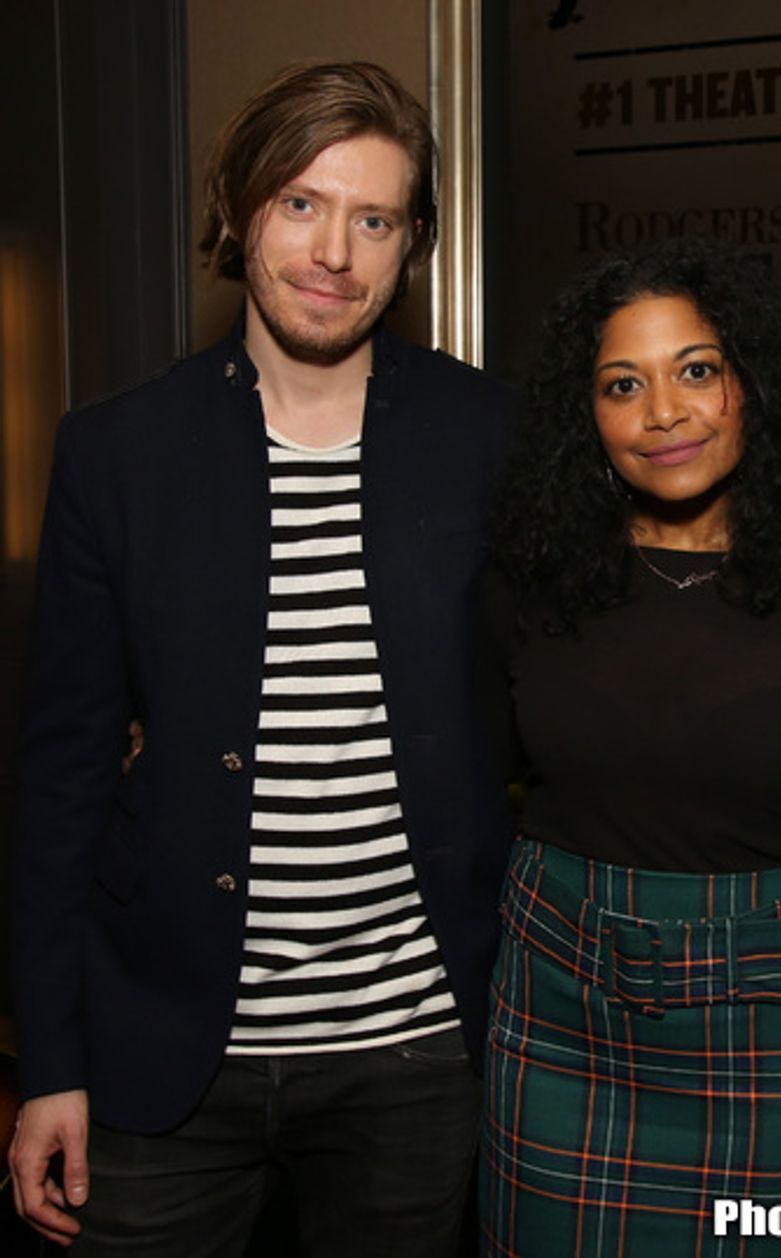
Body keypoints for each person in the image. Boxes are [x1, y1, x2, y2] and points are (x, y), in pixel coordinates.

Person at [9, 62, 513, 1255]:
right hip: (161, 1048)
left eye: (373, 217)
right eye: (299, 203)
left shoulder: (490, 436)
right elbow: (62, 776)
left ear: (411, 244)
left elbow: (588, 680)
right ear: (236, 214)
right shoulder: (115, 455)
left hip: (414, 1051)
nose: (333, 251)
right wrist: (49, 1059)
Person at [479, 239, 781, 1257]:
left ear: (753, 383)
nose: (663, 412)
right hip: (558, 1015)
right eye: (622, 384)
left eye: (696, 369)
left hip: (771, 1020)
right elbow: (450, 760)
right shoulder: (532, 579)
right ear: (587, 417)